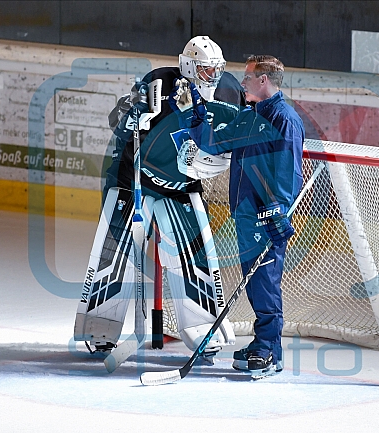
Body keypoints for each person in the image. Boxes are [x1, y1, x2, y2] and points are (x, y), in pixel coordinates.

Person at [73, 36, 246, 360]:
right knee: (115, 255)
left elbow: (240, 129)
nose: (212, 77)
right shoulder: (159, 83)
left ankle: (204, 328)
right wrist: (134, 113)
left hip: (180, 187)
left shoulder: (228, 91)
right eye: (205, 71)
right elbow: (118, 123)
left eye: (216, 70)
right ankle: (99, 327)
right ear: (188, 67)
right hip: (132, 179)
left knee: (195, 256)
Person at [173, 55, 305, 376]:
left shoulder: (284, 120)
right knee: (255, 285)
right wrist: (198, 114)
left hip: (266, 220)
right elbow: (215, 142)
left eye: (247, 78)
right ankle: (265, 343)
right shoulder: (251, 116)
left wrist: (276, 216)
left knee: (265, 283)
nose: (241, 83)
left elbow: (289, 176)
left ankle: (268, 349)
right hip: (245, 217)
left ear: (263, 80)